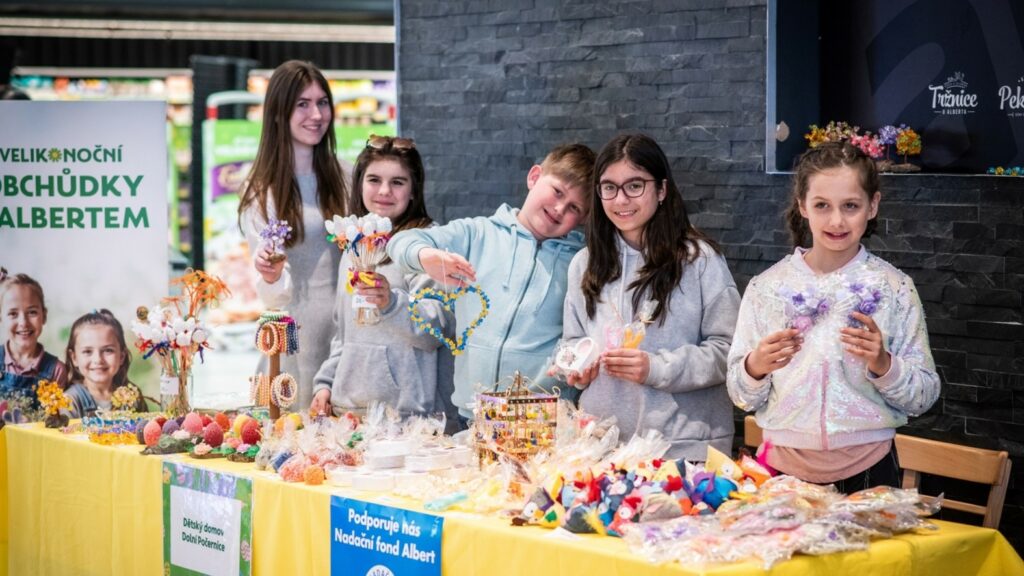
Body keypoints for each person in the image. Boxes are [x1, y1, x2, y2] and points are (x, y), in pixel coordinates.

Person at [726, 141, 940, 492]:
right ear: (803, 207)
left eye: (851, 206)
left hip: (871, 468)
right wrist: (755, 366)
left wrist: (885, 365)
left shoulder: (894, 288)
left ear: (872, 206)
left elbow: (923, 395)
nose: (837, 220)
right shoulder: (767, 288)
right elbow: (740, 394)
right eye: (822, 205)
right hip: (781, 471)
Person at [561, 134, 739, 461]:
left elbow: (730, 352)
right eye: (609, 187)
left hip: (684, 449)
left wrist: (655, 368)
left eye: (635, 186)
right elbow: (572, 341)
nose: (621, 199)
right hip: (601, 445)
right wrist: (575, 365)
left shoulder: (700, 260)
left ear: (661, 190)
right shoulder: (584, 264)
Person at [387, 143, 595, 422]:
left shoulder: (581, 262)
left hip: (545, 422)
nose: (559, 208)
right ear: (534, 177)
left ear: (583, 218)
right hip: (471, 417)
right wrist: (426, 256)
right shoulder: (477, 234)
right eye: (557, 191)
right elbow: (401, 242)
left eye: (574, 207)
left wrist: (577, 367)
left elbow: (582, 334)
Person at [310, 135, 456, 423]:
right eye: (374, 179)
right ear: (360, 184)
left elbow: (437, 330)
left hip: (407, 418)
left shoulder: (426, 245)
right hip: (349, 412)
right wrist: (326, 383)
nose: (384, 191)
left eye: (398, 182)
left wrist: (391, 304)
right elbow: (344, 333)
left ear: (414, 190)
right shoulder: (353, 245)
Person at [238, 60, 349, 410]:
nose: (316, 114)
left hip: (347, 339)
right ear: (278, 113)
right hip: (291, 342)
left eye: (322, 102)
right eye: (303, 104)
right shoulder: (261, 190)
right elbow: (272, 292)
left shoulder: (348, 176)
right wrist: (268, 272)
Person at [60, 309, 146, 417]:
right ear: (74, 358)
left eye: (108, 350)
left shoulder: (133, 397)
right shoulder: (69, 401)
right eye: (87, 351)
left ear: (121, 356)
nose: (98, 360)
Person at [0, 271, 66, 405]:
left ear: (44, 316)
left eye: (32, 312)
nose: (23, 322)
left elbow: (57, 419)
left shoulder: (56, 370)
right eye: (13, 313)